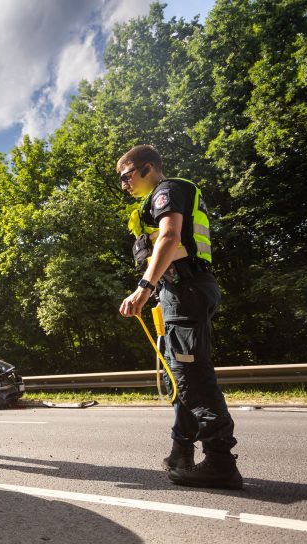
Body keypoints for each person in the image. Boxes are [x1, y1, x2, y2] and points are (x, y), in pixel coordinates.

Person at [116, 144, 243, 490]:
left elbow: (170, 237)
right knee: (180, 377)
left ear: (147, 168)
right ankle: (181, 451)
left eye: (126, 176)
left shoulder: (167, 191)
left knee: (192, 376)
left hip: (185, 289)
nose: (123, 184)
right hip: (181, 291)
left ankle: (219, 460)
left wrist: (143, 287)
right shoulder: (165, 195)